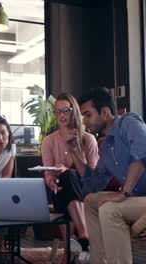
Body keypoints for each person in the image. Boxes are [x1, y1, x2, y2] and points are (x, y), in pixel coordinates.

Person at [65, 88, 146, 264]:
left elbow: (142, 151)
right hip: (144, 200)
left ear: (105, 112)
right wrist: (75, 154)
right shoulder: (107, 146)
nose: (85, 122)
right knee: (91, 201)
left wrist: (124, 192)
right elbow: (92, 186)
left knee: (110, 210)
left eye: (88, 115)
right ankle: (99, 261)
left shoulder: (129, 122)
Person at [41, 92, 98, 253]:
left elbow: (92, 177)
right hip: (60, 190)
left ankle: (70, 246)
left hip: (85, 189)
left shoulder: (88, 139)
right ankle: (83, 236)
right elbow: (48, 173)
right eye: (57, 111)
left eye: (65, 110)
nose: (61, 115)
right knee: (61, 183)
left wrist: (71, 165)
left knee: (67, 176)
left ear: (74, 111)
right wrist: (51, 182)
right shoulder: (49, 141)